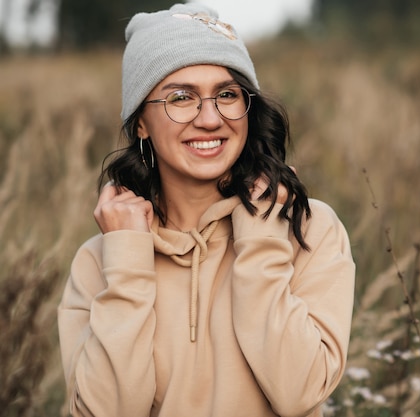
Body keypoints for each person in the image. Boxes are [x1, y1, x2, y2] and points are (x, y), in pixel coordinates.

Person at [57, 3, 355, 417]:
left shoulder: (309, 230)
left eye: (228, 94)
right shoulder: (100, 259)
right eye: (181, 97)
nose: (211, 119)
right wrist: (127, 261)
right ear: (140, 121)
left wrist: (262, 236)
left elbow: (299, 393)